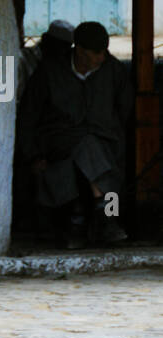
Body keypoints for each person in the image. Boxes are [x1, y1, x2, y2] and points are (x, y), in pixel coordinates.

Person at [17, 20, 133, 248]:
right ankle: (107, 216)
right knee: (92, 152)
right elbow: (29, 116)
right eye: (96, 53)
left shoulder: (114, 71)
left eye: (104, 52)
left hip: (102, 144)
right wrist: (32, 155)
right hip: (58, 143)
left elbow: (124, 113)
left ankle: (77, 222)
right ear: (79, 50)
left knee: (92, 151)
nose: (101, 58)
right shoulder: (50, 72)